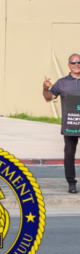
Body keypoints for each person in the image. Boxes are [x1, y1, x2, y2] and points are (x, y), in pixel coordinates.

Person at [43, 54, 80, 194]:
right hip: (70, 125)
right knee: (69, 155)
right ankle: (71, 184)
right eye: (73, 62)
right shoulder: (62, 83)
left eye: (79, 62)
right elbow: (49, 97)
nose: (76, 64)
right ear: (69, 65)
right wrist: (45, 88)